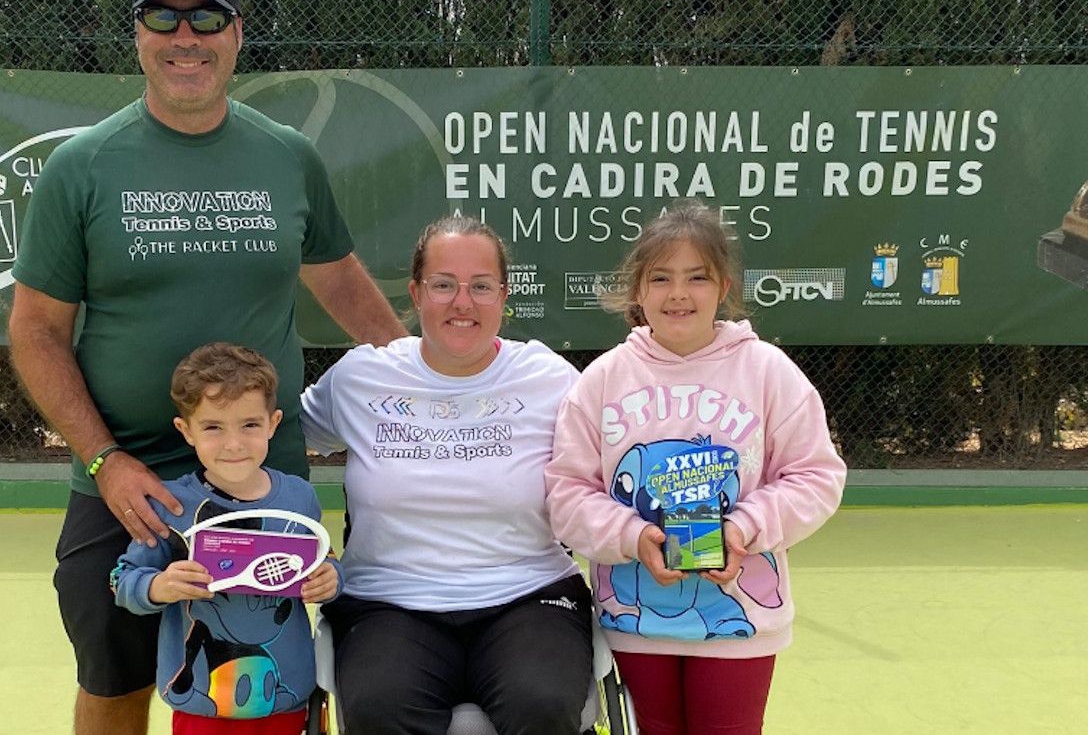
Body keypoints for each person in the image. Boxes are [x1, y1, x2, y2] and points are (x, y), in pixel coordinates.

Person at [7, 0, 406, 734]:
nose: (185, 36)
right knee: (116, 677)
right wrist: (104, 460)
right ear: (137, 33)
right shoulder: (81, 168)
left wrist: (429, 386)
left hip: (264, 479)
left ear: (237, 32)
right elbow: (36, 330)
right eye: (164, 15)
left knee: (291, 677)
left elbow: (344, 284)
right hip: (128, 487)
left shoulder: (288, 157)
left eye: (205, 17)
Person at [544, 201, 847, 735]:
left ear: (723, 285)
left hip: (741, 620)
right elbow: (567, 494)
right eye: (660, 277)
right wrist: (633, 536)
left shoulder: (768, 372)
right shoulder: (602, 380)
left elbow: (816, 476)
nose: (678, 293)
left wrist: (743, 529)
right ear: (637, 290)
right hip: (634, 620)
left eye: (696, 277)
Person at [299, 216, 593, 735]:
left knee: (541, 703)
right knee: (377, 708)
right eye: (443, 285)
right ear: (415, 293)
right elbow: (267, 434)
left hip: (528, 594)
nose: (463, 302)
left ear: (504, 295)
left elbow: (616, 460)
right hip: (387, 602)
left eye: (481, 286)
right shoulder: (361, 377)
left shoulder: (551, 381)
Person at [111, 342, 341, 734]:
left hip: (285, 696)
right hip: (201, 704)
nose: (233, 443)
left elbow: (326, 559)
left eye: (249, 425)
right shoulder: (171, 505)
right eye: (213, 427)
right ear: (186, 431)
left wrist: (332, 579)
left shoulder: (299, 498)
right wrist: (160, 586)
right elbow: (123, 579)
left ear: (273, 423)